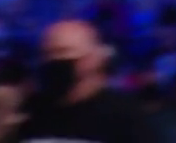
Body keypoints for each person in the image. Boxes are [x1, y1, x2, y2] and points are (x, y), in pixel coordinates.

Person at [16, 20, 152, 143]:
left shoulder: (124, 115)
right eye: (47, 53)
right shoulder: (32, 110)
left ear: (93, 59)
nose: (54, 59)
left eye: (63, 51)